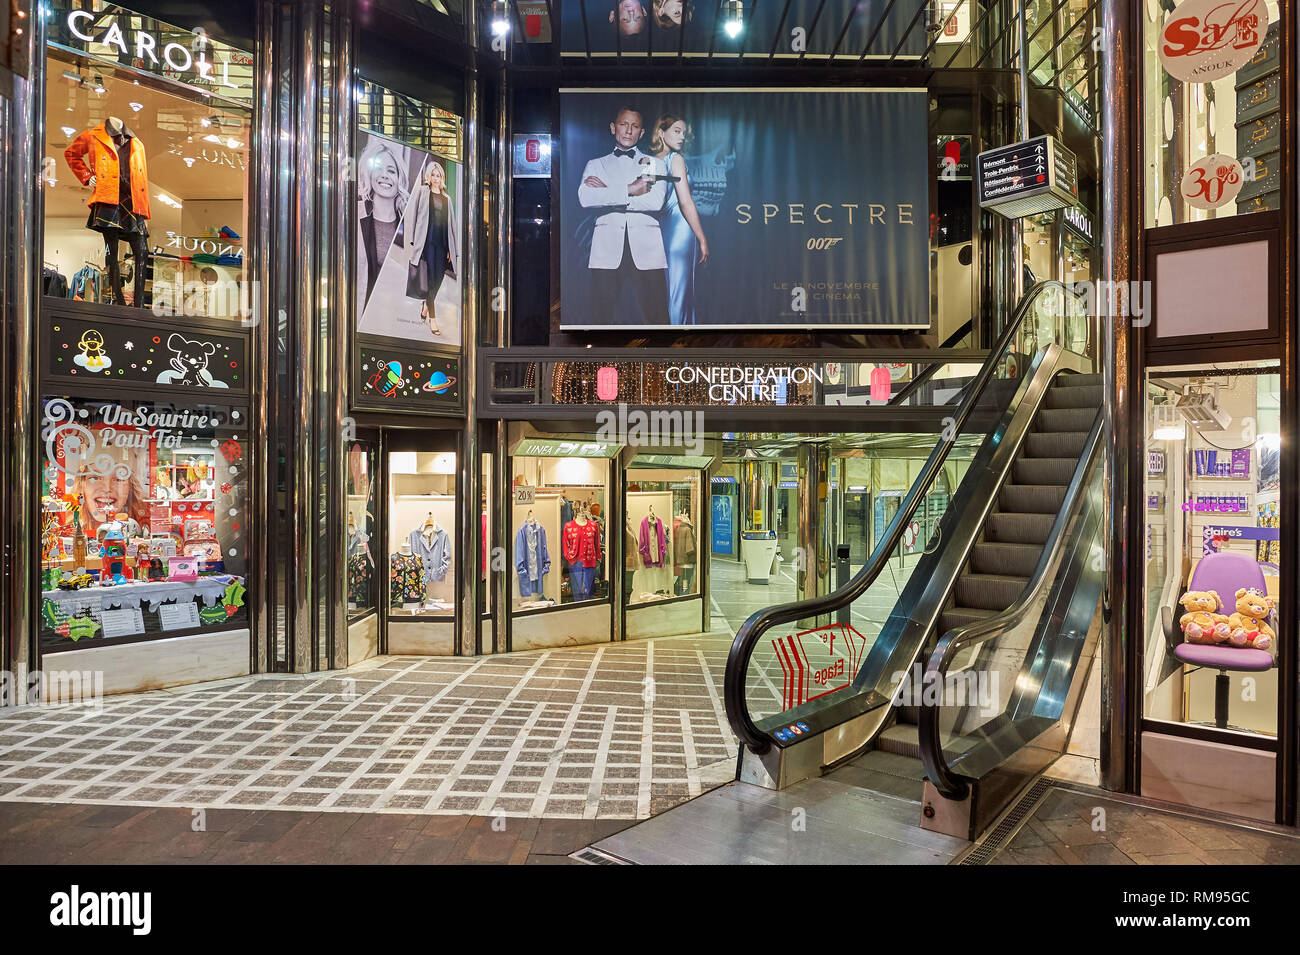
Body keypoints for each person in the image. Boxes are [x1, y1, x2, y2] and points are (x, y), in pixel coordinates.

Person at [577, 108, 670, 325]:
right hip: (606, 252)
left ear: (642, 132)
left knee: (659, 321)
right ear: (613, 127)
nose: (628, 130)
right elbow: (586, 199)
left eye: (635, 126)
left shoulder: (656, 164)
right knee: (600, 321)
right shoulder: (595, 164)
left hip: (647, 252)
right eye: (623, 124)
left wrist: (607, 192)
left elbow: (654, 202)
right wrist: (630, 188)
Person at [650, 114, 709, 325]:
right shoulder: (676, 159)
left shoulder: (650, 161)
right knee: (680, 294)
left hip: (660, 231)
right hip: (681, 230)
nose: (682, 136)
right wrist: (702, 239)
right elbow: (686, 202)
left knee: (668, 292)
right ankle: (681, 351)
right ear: (661, 133)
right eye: (676, 131)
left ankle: (671, 353)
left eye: (684, 132)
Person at [406, 159, 458, 337]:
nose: (436, 178)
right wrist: (413, 240)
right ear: (429, 176)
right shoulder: (422, 192)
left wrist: (452, 249)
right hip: (427, 243)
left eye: (439, 175)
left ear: (442, 177)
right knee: (429, 281)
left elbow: (452, 226)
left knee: (438, 278)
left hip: (442, 244)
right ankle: (433, 319)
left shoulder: (447, 199)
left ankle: (426, 305)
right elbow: (412, 215)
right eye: (433, 175)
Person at [357, 138, 410, 306]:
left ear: (399, 178)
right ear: (370, 175)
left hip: (396, 318)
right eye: (378, 169)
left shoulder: (409, 224)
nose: (384, 175)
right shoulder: (354, 216)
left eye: (391, 170)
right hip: (359, 317)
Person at [69, 442, 151, 540]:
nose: (107, 489)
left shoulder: (138, 525)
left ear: (130, 487)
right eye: (95, 478)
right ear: (82, 484)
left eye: (119, 479)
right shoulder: (70, 528)